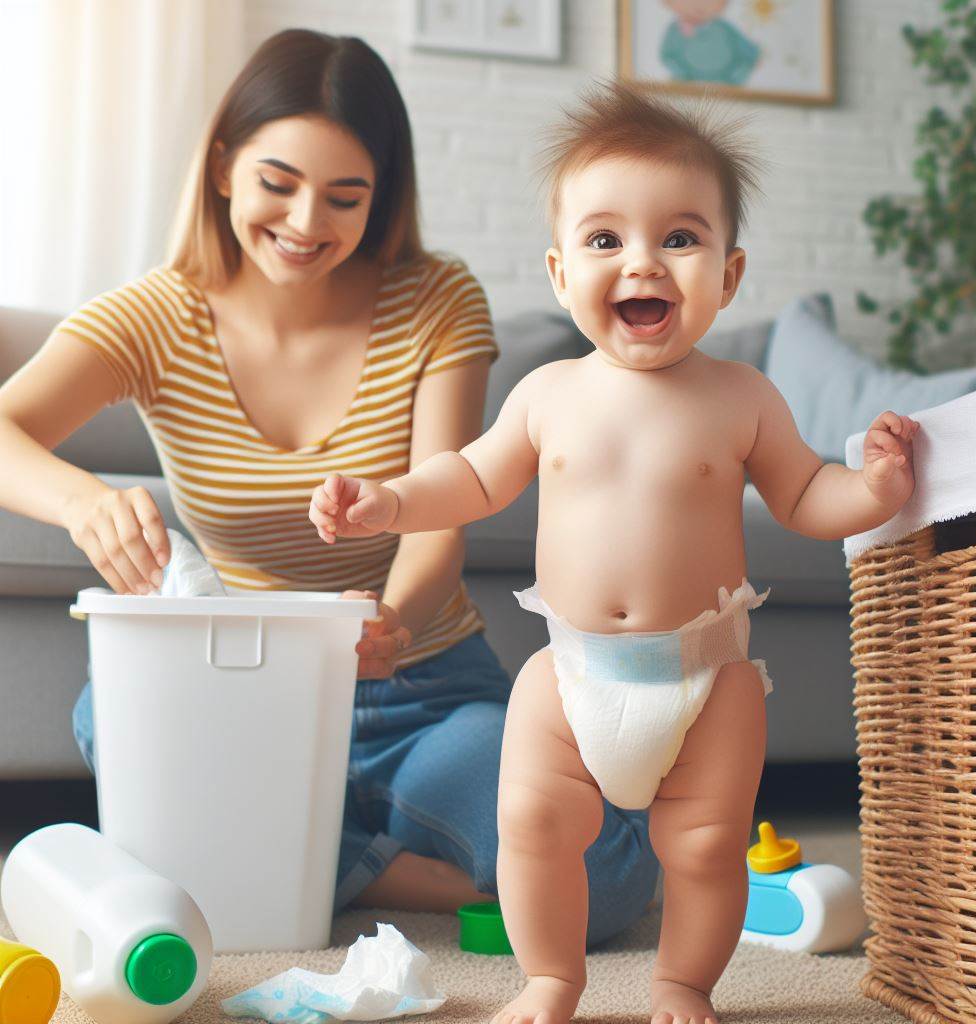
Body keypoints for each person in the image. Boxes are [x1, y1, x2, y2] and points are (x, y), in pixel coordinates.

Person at [0, 34, 658, 936]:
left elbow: (440, 516)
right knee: (105, 713)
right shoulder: (154, 316)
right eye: (279, 183)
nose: (307, 223)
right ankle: (383, 869)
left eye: (345, 196)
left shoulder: (436, 299)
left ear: (380, 195)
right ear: (225, 166)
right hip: (240, 694)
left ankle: (332, 847)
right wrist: (84, 502)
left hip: (414, 686)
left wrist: (389, 622)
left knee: (609, 884)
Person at [308, 83, 921, 1024]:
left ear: (730, 272)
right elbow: (470, 480)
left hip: (707, 680)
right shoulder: (547, 392)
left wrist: (872, 487)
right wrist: (390, 502)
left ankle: (682, 983)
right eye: (606, 240)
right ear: (560, 274)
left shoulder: (743, 396)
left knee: (706, 847)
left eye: (680, 238)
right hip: (573, 677)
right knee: (531, 826)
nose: (644, 262)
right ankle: (551, 978)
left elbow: (803, 495)